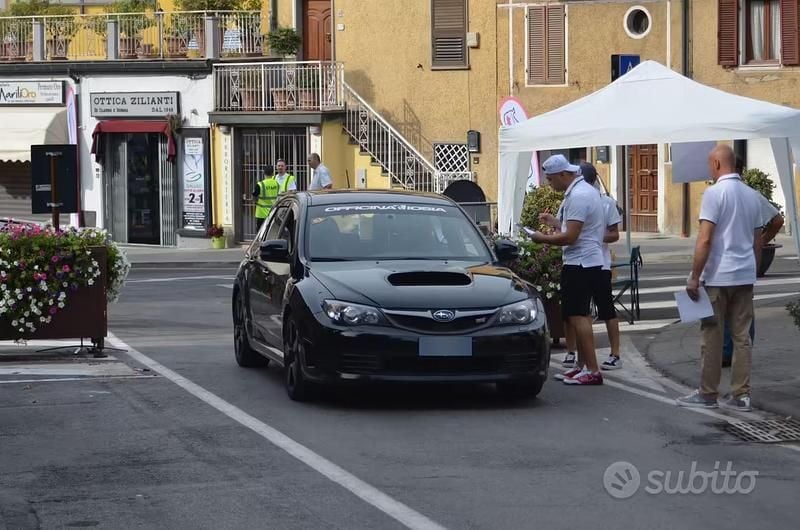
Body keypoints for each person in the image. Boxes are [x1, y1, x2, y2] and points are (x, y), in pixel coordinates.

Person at [677, 144, 763, 412]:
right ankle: (741, 395)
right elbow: (758, 240)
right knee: (741, 336)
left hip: (718, 276)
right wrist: (753, 269)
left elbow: (705, 239)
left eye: (708, 164)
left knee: (712, 336)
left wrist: (694, 277)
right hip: (744, 275)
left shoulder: (714, 194)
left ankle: (708, 394)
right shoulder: (753, 195)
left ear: (716, 164)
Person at [529, 154, 606, 386]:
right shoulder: (580, 191)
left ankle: (592, 369)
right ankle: (583, 366)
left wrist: (541, 238)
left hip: (581, 261)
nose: (550, 185)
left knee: (578, 315)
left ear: (564, 174)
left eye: (551, 179)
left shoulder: (579, 196)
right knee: (576, 315)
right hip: (584, 260)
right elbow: (574, 227)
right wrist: (554, 222)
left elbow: (571, 236)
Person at [721, 157, 784, 366]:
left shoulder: (719, 195)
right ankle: (742, 351)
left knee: (725, 310)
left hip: (725, 262)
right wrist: (762, 242)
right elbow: (777, 220)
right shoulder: (752, 196)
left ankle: (726, 353)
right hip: (746, 261)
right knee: (744, 311)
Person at [252, 161, 296, 228]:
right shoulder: (273, 179)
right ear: (275, 168)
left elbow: (293, 192)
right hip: (274, 209)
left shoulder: (290, 178)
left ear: (285, 167)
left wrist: (282, 194)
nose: (280, 167)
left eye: (282, 166)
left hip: (285, 207)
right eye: (278, 166)